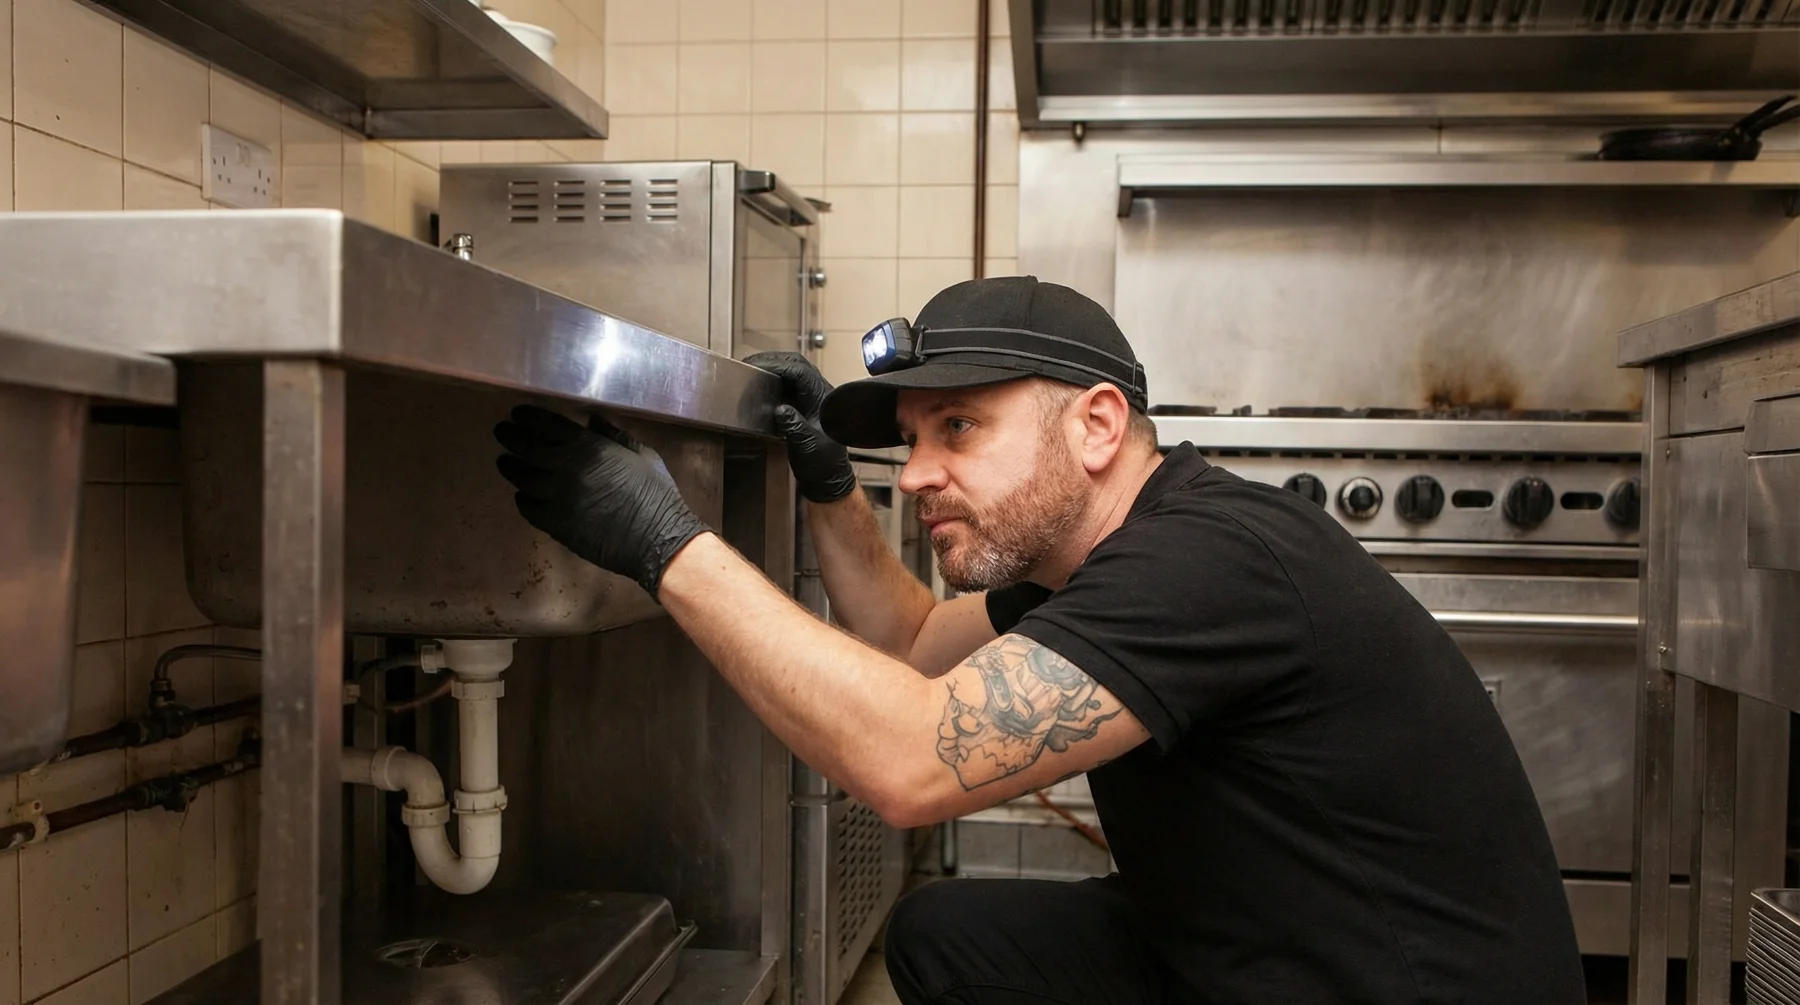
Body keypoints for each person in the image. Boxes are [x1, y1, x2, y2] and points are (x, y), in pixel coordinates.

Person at [492, 276, 1585, 1005]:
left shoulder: (1208, 561)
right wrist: (829, 488)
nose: (918, 474)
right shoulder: (1105, 557)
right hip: (1252, 945)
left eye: (959, 427)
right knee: (948, 940)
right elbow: (916, 640)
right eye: (910, 441)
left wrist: (666, 544)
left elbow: (914, 761)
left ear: (1097, 424)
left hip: (1392, 986)